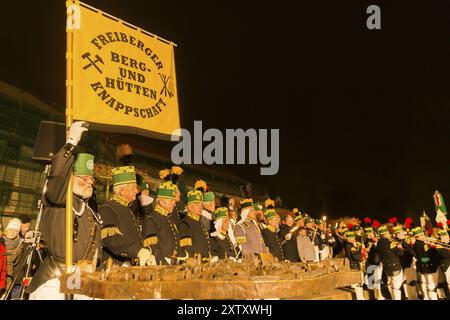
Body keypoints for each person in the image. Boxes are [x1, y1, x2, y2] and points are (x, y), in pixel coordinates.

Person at [27, 121, 103, 300]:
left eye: (91, 179)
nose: (89, 182)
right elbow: (58, 175)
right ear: (71, 178)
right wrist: (70, 143)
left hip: (81, 279)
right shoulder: (60, 197)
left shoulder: (90, 210)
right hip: (54, 281)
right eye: (83, 178)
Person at [99, 166, 156, 267]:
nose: (136, 191)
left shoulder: (128, 209)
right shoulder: (108, 208)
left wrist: (147, 252)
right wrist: (137, 251)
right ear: (122, 191)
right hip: (115, 267)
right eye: (133, 187)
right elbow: (111, 239)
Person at [142, 182, 179, 265]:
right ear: (161, 201)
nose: (174, 203)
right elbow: (152, 248)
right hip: (160, 266)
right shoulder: (152, 219)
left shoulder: (169, 220)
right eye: (171, 201)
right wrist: (165, 265)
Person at [178, 190, 212, 261]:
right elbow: (186, 249)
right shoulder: (185, 223)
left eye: (201, 204)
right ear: (189, 207)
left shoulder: (200, 223)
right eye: (197, 204)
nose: (200, 207)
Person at [234, 194, 268, 258]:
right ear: (246, 212)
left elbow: (262, 244)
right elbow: (243, 247)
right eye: (252, 211)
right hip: (251, 262)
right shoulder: (240, 227)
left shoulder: (255, 226)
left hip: (262, 261)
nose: (255, 212)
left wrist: (267, 256)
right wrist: (253, 258)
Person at [412, 227, 439, 300]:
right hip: (430, 267)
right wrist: (433, 247)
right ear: (418, 236)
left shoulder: (416, 244)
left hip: (424, 267)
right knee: (432, 287)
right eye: (422, 235)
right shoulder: (422, 245)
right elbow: (427, 256)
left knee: (428, 286)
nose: (424, 236)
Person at [376, 225, 403, 300]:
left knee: (390, 285)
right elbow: (400, 253)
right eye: (388, 233)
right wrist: (400, 247)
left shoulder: (379, 243)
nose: (389, 234)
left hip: (387, 267)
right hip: (395, 266)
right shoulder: (390, 242)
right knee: (396, 286)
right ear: (385, 234)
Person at [393, 225, 418, 300]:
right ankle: (412, 297)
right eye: (401, 232)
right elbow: (408, 251)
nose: (403, 233)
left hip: (407, 263)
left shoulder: (401, 241)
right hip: (407, 263)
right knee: (411, 282)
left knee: (409, 281)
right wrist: (412, 246)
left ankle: (410, 296)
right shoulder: (399, 242)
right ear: (398, 234)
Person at [3, 218, 23, 299]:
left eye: (15, 230)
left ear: (18, 232)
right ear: (6, 230)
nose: (12, 232)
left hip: (9, 279)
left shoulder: (19, 246)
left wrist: (7, 289)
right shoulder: (1, 242)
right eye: (10, 229)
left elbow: (15, 263)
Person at [363, 226, 385, 300]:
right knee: (373, 279)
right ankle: (376, 295)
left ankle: (378, 295)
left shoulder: (378, 240)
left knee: (377, 278)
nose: (368, 234)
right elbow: (366, 250)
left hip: (378, 261)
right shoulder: (367, 242)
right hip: (371, 261)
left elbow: (381, 250)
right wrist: (369, 247)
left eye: (370, 232)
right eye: (367, 233)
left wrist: (376, 243)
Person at [344, 231, 366, 300]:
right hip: (354, 266)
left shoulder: (348, 245)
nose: (354, 239)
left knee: (358, 283)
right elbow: (356, 256)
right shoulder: (350, 246)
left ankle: (360, 297)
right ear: (349, 238)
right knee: (358, 283)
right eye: (352, 237)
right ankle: (360, 298)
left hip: (353, 265)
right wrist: (363, 254)